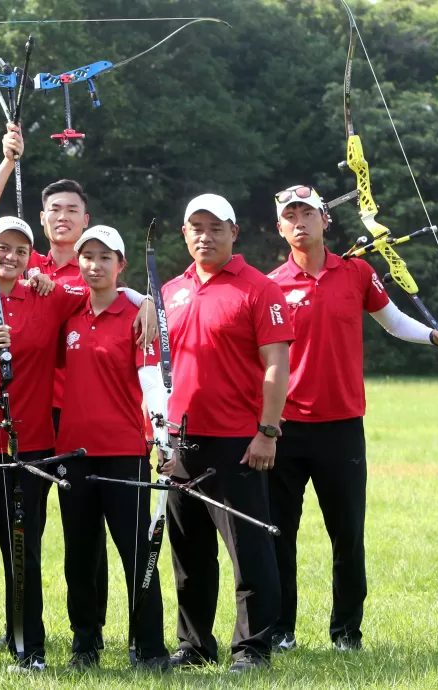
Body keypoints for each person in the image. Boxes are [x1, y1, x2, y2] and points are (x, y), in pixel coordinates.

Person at [265, 185, 438, 653]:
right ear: (280, 228)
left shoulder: (357, 272)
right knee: (278, 534)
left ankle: (346, 634)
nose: (299, 222)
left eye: (307, 213)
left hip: (342, 426)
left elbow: (393, 321)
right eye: (290, 216)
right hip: (283, 427)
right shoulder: (269, 285)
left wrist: (434, 335)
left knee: (348, 535)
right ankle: (280, 630)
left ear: (325, 220)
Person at [0, 122, 111, 650]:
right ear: (43, 220)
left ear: (86, 220)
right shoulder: (25, 264)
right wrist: (9, 160)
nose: (63, 216)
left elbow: (123, 300)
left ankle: (86, 637)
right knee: (15, 533)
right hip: (24, 419)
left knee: (80, 535)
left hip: (76, 422)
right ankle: (10, 636)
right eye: (54, 210)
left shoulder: (97, 263)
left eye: (73, 209)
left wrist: (144, 305)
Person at [160, 194, 292, 673]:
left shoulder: (259, 289)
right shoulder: (169, 291)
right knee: (189, 553)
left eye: (216, 228)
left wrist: (267, 431)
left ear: (234, 233)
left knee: (248, 550)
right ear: (185, 234)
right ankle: (194, 646)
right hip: (180, 441)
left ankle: (253, 648)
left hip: (238, 442)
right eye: (196, 227)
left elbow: (277, 365)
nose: (205, 236)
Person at [52, 225, 170, 672]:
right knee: (80, 555)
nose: (95, 265)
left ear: (121, 265)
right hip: (73, 455)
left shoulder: (138, 315)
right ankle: (85, 644)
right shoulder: (69, 313)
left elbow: (152, 382)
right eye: (88, 257)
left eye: (106, 257)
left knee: (137, 553)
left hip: (124, 452)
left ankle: (150, 648)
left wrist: (163, 438)